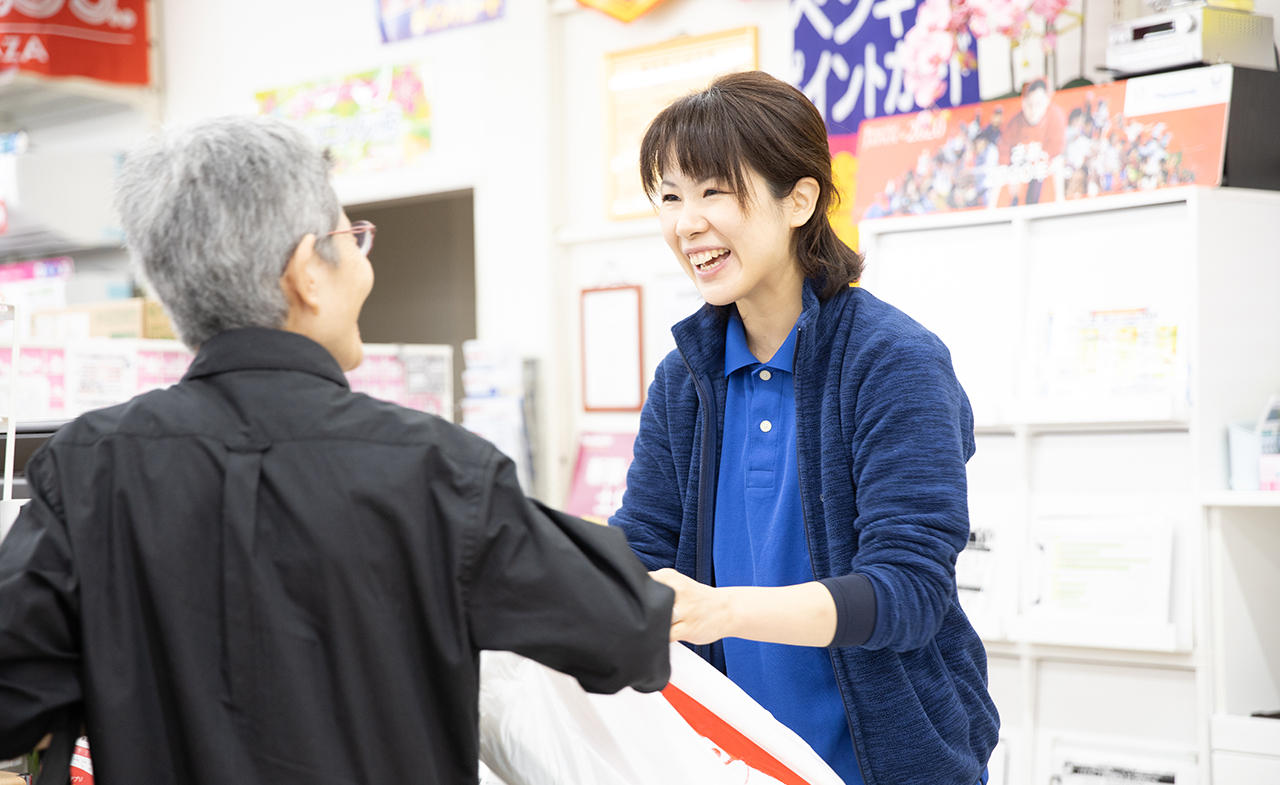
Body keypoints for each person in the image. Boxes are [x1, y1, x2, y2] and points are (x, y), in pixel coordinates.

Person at [0, 116, 673, 785]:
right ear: (306, 273)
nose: (365, 264)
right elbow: (628, 630)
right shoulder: (436, 469)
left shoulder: (85, 469)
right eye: (353, 239)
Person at [611, 70, 999, 785]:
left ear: (800, 198)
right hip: (729, 760)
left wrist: (718, 609)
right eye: (668, 197)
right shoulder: (684, 378)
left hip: (885, 765)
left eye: (712, 191)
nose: (686, 222)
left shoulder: (893, 361)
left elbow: (908, 591)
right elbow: (640, 546)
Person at [998, 78, 1067, 205]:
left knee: (1057, 164)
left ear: (1047, 100)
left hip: (1043, 163)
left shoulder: (1057, 116)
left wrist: (1041, 160)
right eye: (1029, 104)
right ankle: (1014, 201)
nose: (1033, 110)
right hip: (1021, 166)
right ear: (1023, 102)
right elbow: (1004, 155)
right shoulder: (1013, 124)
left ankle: (1060, 202)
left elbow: (1057, 150)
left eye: (1038, 104)